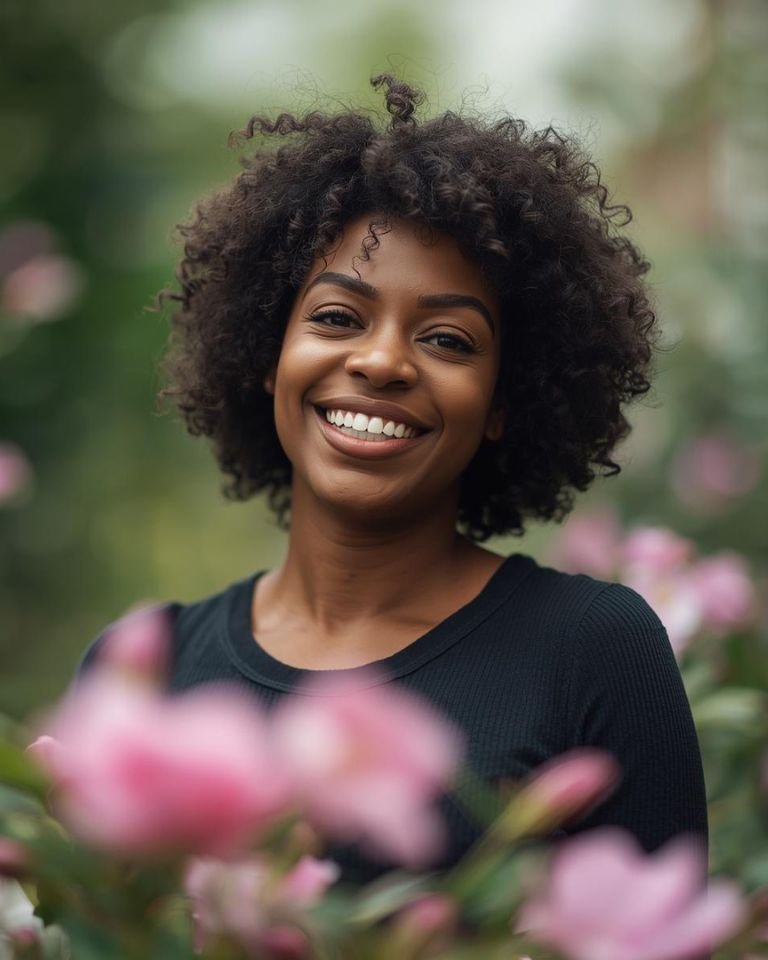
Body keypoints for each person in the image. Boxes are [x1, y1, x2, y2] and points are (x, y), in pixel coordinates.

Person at [86, 75, 707, 884]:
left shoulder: (593, 650)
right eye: (338, 318)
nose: (381, 362)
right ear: (269, 357)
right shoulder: (142, 667)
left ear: (501, 403)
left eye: (448, 339)